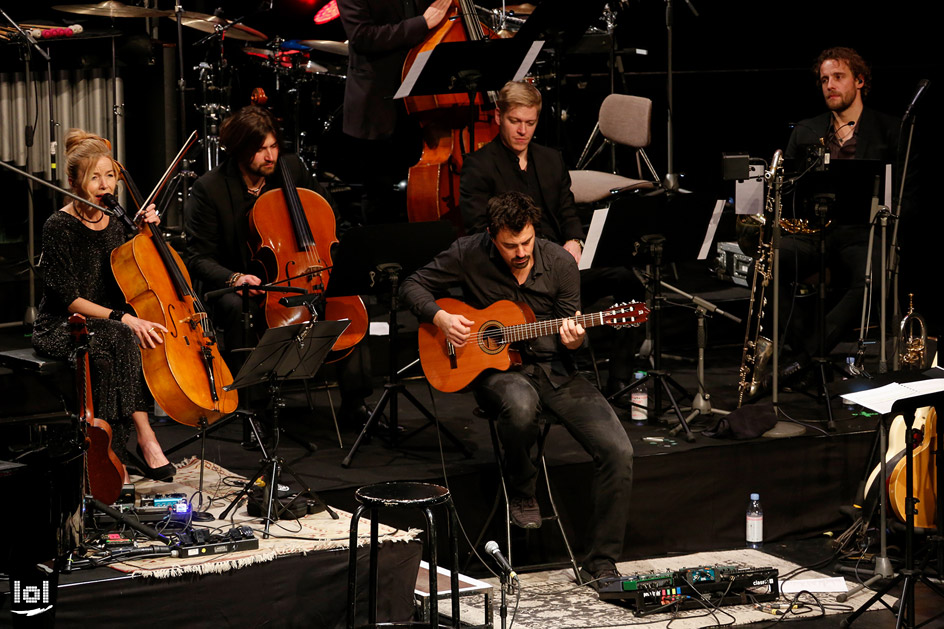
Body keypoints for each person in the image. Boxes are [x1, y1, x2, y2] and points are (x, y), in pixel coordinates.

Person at [401, 191, 633, 590]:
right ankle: (523, 490)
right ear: (493, 237)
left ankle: (603, 561)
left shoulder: (560, 262)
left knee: (620, 451)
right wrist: (440, 316)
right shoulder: (468, 252)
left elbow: (571, 337)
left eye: (526, 242)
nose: (520, 252)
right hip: (497, 373)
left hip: (556, 370)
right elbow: (412, 285)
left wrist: (576, 339)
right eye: (510, 246)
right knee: (521, 403)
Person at [184, 106, 372, 424]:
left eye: (273, 147)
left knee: (346, 300)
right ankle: (255, 408)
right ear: (239, 149)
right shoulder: (210, 189)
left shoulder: (292, 169)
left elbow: (331, 217)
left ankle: (356, 403)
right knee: (236, 305)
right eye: (260, 150)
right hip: (244, 282)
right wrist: (235, 278)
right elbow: (197, 257)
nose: (270, 157)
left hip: (300, 270)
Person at [460, 80, 639, 396]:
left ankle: (619, 378)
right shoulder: (479, 165)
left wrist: (574, 241)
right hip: (515, 277)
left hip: (561, 268)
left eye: (530, 123)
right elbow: (479, 232)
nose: (522, 131)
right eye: (515, 121)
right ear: (499, 116)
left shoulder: (551, 159)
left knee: (628, 281)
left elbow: (568, 211)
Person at [32, 129, 174, 483]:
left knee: (119, 338)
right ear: (74, 181)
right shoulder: (57, 226)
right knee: (120, 334)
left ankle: (126, 443)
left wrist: (148, 233)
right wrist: (123, 317)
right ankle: (131, 442)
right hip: (61, 325)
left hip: (109, 326)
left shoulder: (118, 223)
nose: (104, 183)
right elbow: (69, 299)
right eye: (94, 176)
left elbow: (144, 270)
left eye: (110, 174)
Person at [778, 47, 904, 379]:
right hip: (814, 231)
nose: (830, 85)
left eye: (838, 77)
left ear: (859, 81)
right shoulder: (806, 130)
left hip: (863, 232)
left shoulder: (890, 129)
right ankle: (808, 352)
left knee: (872, 277)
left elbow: (906, 191)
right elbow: (788, 189)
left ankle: (804, 360)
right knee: (764, 267)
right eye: (824, 79)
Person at [337, 0, 450, 222]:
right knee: (380, 195)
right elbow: (362, 36)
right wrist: (423, 23)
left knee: (419, 192)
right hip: (378, 103)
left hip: (423, 99)